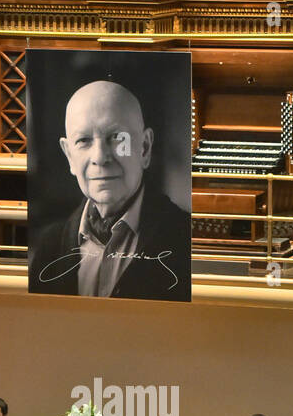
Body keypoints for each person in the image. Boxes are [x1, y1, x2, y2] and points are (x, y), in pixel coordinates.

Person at [28, 78, 191, 301]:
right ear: (69, 156)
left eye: (116, 137)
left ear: (144, 148)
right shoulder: (49, 247)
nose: (99, 158)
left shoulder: (186, 239)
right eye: (83, 140)